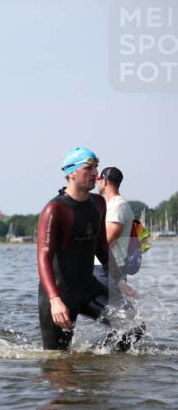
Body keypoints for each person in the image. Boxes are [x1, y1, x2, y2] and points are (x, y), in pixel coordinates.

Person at [36, 147, 142, 351]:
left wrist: (119, 280)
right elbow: (43, 258)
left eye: (96, 168)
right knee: (57, 361)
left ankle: (95, 359)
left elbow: (102, 247)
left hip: (88, 288)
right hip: (59, 294)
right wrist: (55, 300)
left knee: (134, 326)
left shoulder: (98, 203)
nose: (96, 174)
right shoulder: (55, 210)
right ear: (71, 172)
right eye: (89, 168)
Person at [93, 166, 137, 296]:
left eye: (99, 180)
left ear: (105, 181)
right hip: (108, 267)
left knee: (109, 312)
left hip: (107, 269)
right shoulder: (114, 205)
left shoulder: (117, 206)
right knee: (109, 312)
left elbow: (107, 240)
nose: (97, 183)